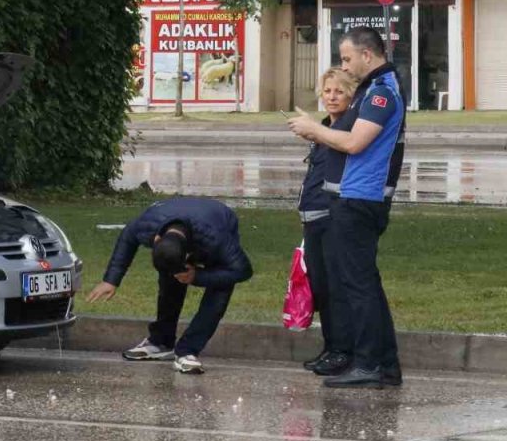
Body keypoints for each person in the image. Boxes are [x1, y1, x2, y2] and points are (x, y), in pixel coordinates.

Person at [288, 26, 406, 389]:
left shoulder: (381, 94)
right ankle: (383, 365)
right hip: (354, 199)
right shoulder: (374, 91)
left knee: (358, 286)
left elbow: (355, 143)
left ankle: (368, 364)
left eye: (347, 58)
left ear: (367, 55)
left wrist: (313, 129)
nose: (345, 65)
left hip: (359, 201)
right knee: (364, 283)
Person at [86, 196, 254, 374]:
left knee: (221, 287)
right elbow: (128, 237)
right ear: (156, 239)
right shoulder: (147, 226)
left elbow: (242, 270)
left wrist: (197, 276)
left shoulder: (217, 238)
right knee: (170, 281)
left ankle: (188, 351)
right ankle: (161, 342)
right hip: (179, 217)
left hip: (218, 220)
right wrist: (111, 280)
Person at [296, 68, 360, 376]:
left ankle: (342, 351)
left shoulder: (347, 131)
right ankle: (330, 346)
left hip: (332, 218)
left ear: (350, 96)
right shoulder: (322, 130)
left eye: (339, 91)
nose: (332, 97)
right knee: (320, 288)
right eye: (327, 91)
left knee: (336, 288)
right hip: (312, 218)